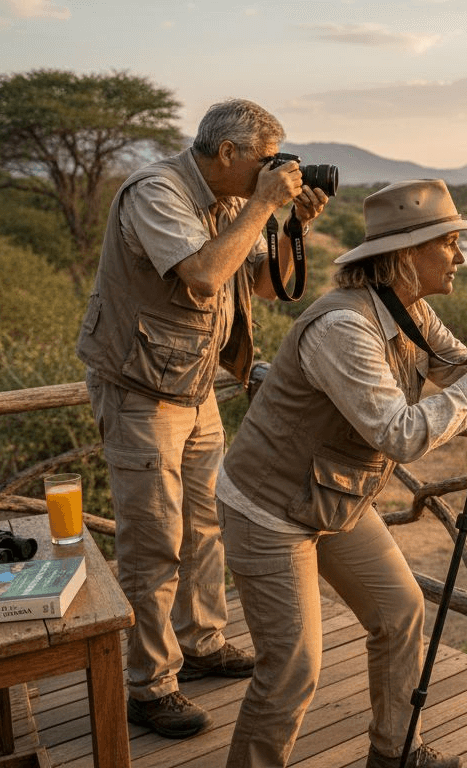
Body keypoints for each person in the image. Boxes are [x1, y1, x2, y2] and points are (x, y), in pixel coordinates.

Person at [217, 178, 467, 768]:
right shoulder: (344, 328)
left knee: (400, 610)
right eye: (448, 243)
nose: (459, 256)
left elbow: (458, 370)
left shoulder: (409, 308)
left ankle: (395, 752)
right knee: (292, 668)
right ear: (405, 255)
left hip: (332, 498)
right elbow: (401, 434)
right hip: (269, 509)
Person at [75, 98, 329, 738]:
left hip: (195, 387)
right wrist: (263, 204)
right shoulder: (156, 193)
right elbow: (204, 274)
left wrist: (293, 224)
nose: (274, 169)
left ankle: (202, 641)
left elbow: (264, 285)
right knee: (153, 539)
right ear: (228, 152)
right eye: (265, 160)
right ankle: (149, 685)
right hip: (140, 389)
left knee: (205, 525)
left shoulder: (226, 202)